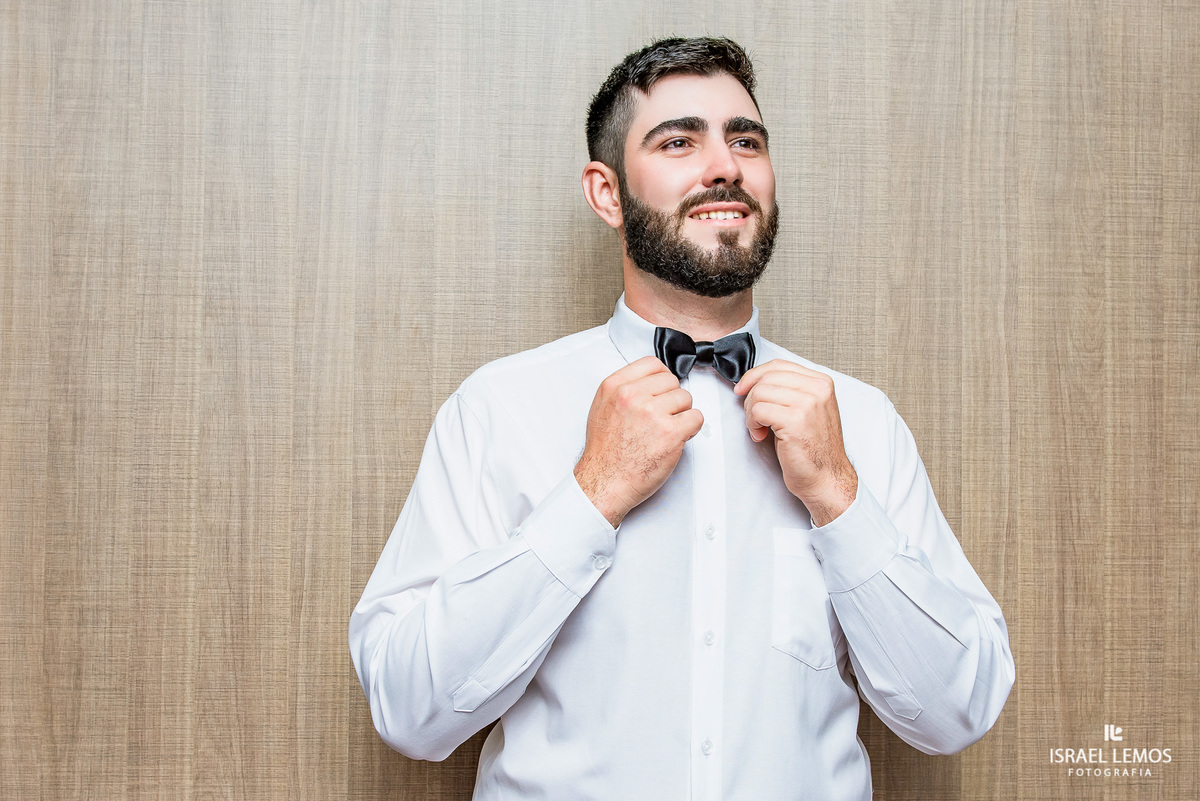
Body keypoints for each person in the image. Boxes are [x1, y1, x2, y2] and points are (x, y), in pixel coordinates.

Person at [350, 37, 1014, 801]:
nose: (725, 165)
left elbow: (959, 709)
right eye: (678, 141)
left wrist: (838, 495)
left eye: (745, 140)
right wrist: (591, 494)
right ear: (607, 193)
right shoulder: (499, 410)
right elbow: (407, 709)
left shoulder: (861, 422)